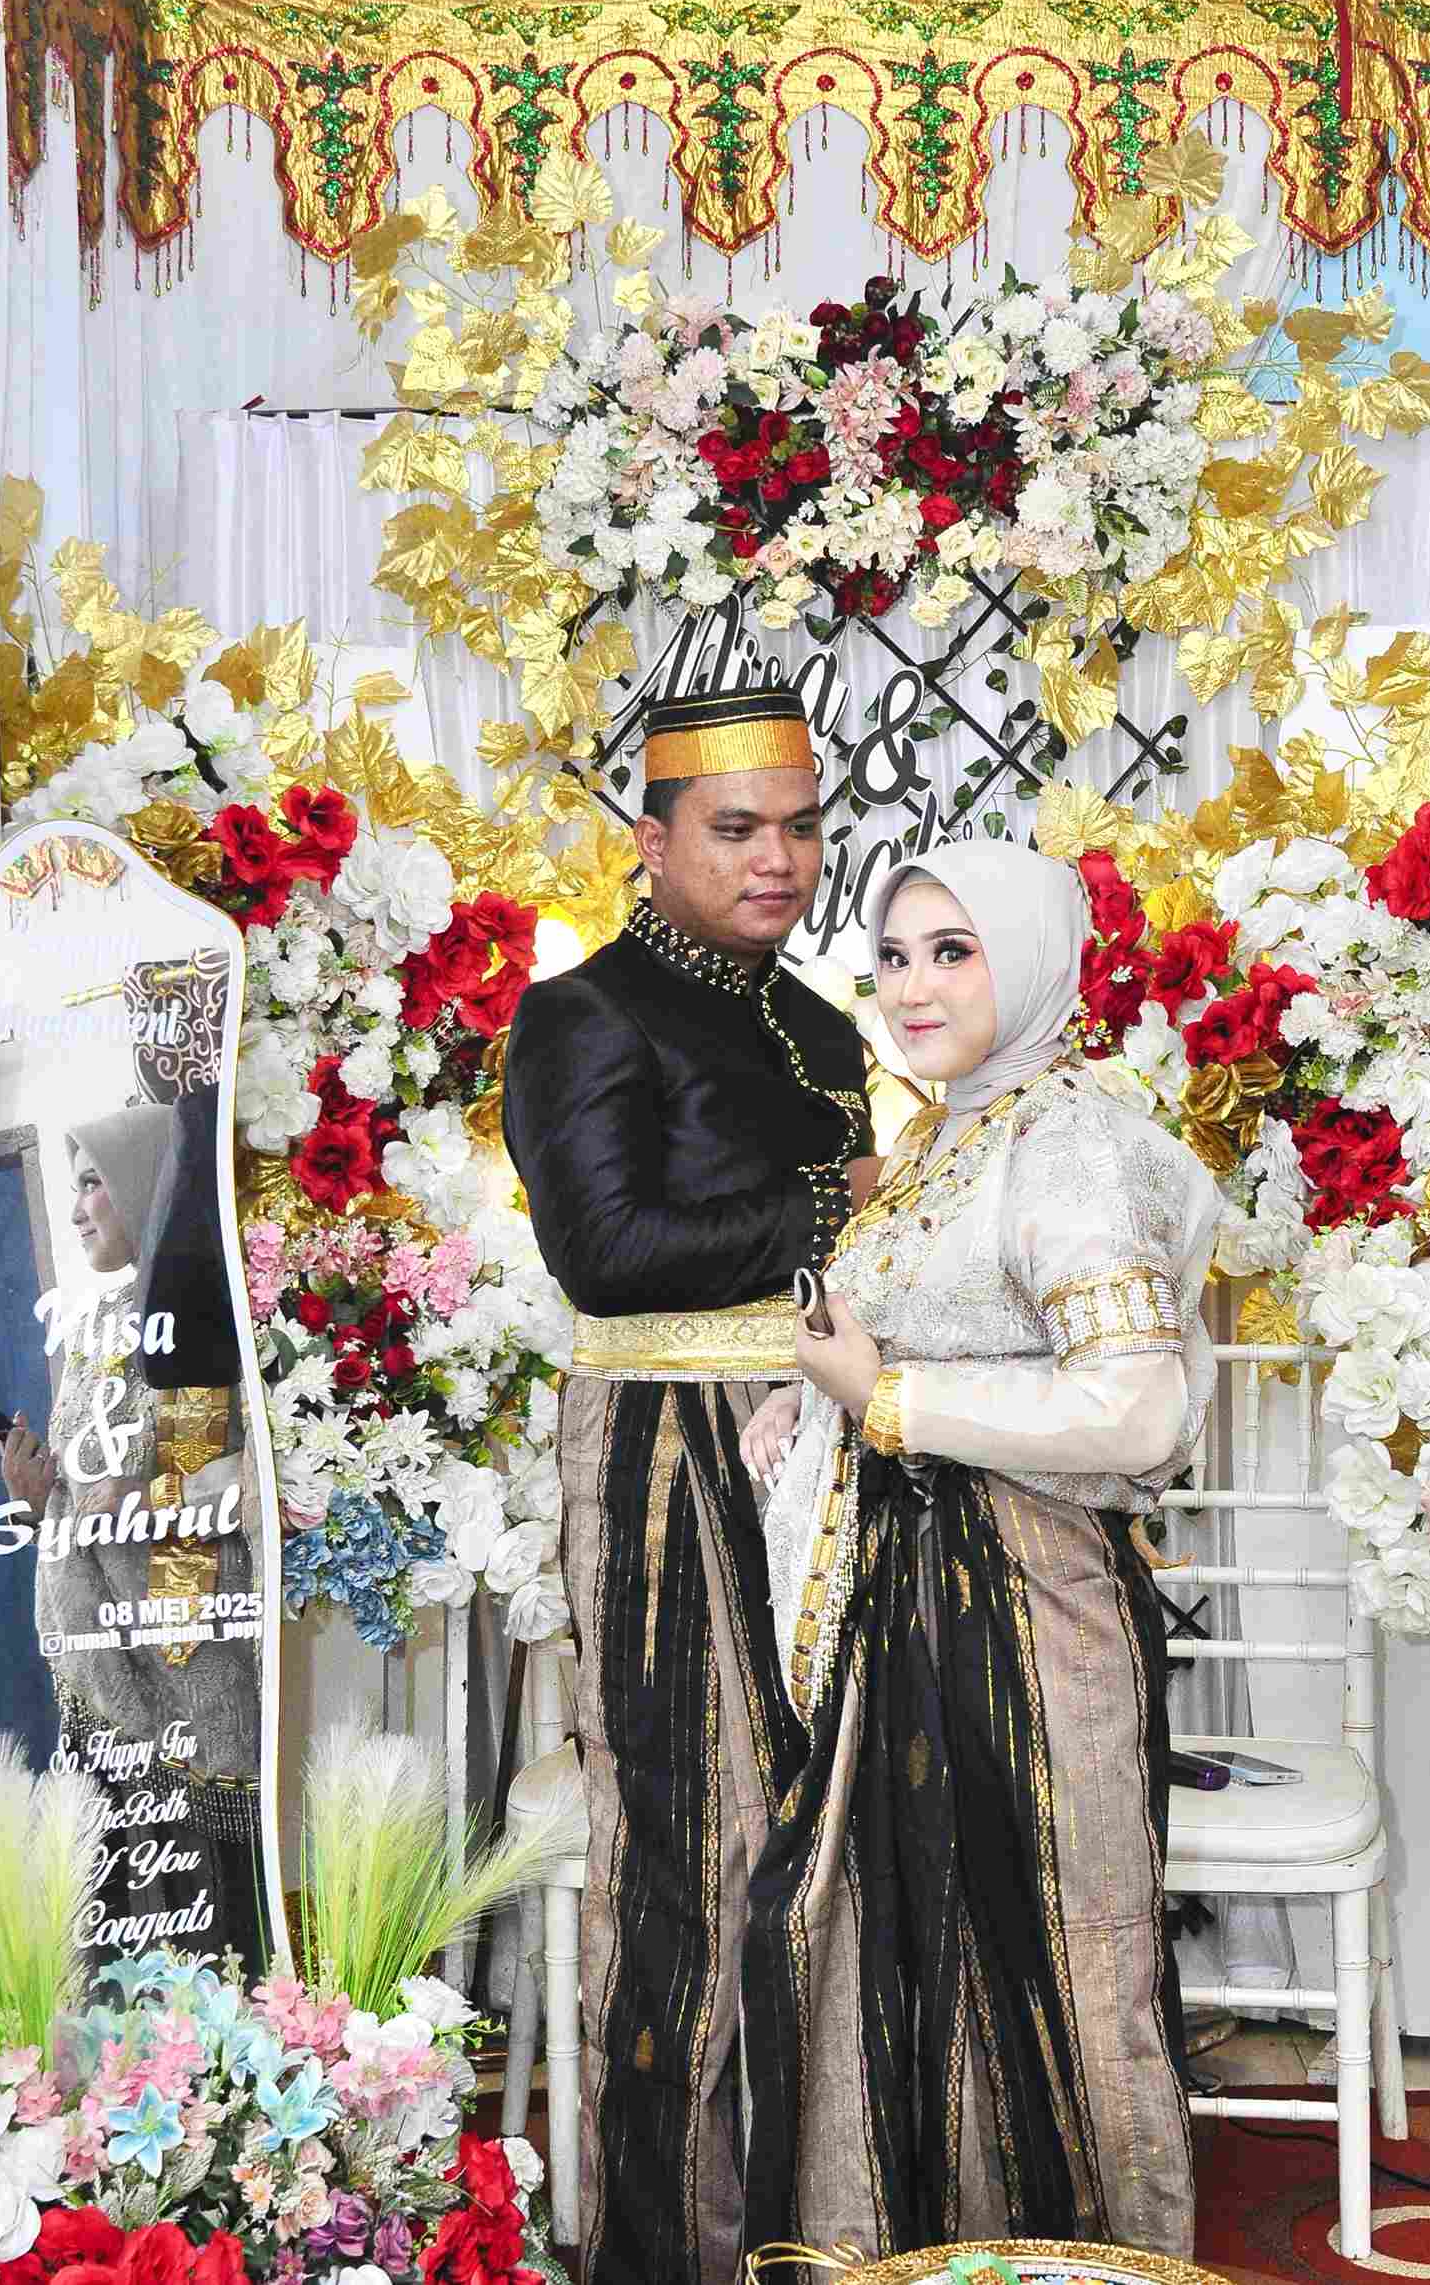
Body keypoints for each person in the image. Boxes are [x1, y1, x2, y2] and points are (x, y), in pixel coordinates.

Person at [738, 840, 1221, 2270]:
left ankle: (1084, 2263)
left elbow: (1135, 1407)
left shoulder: (1067, 1145)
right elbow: (916, 1331)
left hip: (1025, 1608)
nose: (913, 987)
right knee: (898, 1954)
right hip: (907, 1596)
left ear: (1031, 961)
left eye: (953, 952)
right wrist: (809, 1402)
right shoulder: (951, 1135)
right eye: (892, 956)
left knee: (1050, 1961)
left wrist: (882, 1399)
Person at [501, 684, 880, 2285]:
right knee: (689, 1864)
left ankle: (824, 2241)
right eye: (734, 829)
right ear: (652, 843)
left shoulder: (821, 1025)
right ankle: (666, 2257)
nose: (775, 858)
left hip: (832, 1449)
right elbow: (605, 1255)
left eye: (797, 827)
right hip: (670, 1462)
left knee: (833, 1858)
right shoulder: (584, 1015)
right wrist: (833, 1200)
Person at [0, 1102, 268, 1971]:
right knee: (114, 1913)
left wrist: (140, 1493)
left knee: (212, 1913)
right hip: (97, 1661)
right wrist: (37, 1496)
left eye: (94, 1183)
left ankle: (226, 2051)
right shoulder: (90, 1330)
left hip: (185, 1655)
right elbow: (83, 1502)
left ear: (146, 1186)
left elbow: (237, 1477)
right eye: (73, 1186)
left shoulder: (195, 1314)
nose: (78, 1209)